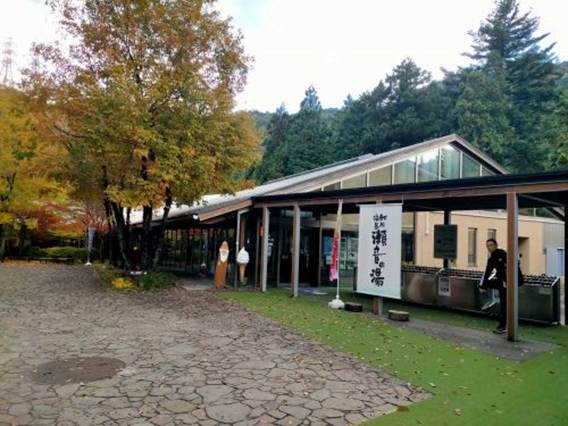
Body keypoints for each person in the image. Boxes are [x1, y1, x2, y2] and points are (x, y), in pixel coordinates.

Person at [480, 238, 523, 334]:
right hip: (504, 282)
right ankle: (503, 325)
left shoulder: (502, 254)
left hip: (511, 282)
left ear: (496, 245)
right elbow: (487, 271)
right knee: (504, 304)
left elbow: (513, 265)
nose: (489, 248)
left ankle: (504, 325)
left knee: (505, 304)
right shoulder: (491, 258)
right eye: (487, 246)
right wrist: (483, 286)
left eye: (491, 245)